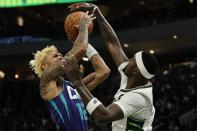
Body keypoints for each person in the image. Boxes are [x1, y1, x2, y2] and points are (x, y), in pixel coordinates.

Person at [66, 3, 160, 131]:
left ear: (136, 70)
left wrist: (77, 82)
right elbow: (112, 44)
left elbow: (103, 115)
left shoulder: (139, 97)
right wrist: (96, 12)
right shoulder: (132, 76)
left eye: (132, 59)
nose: (127, 60)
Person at [29, 11, 110, 131]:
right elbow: (80, 48)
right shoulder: (46, 81)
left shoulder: (73, 87)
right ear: (44, 67)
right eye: (55, 56)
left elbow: (103, 71)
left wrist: (86, 44)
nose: (60, 56)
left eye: (60, 54)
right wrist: (83, 30)